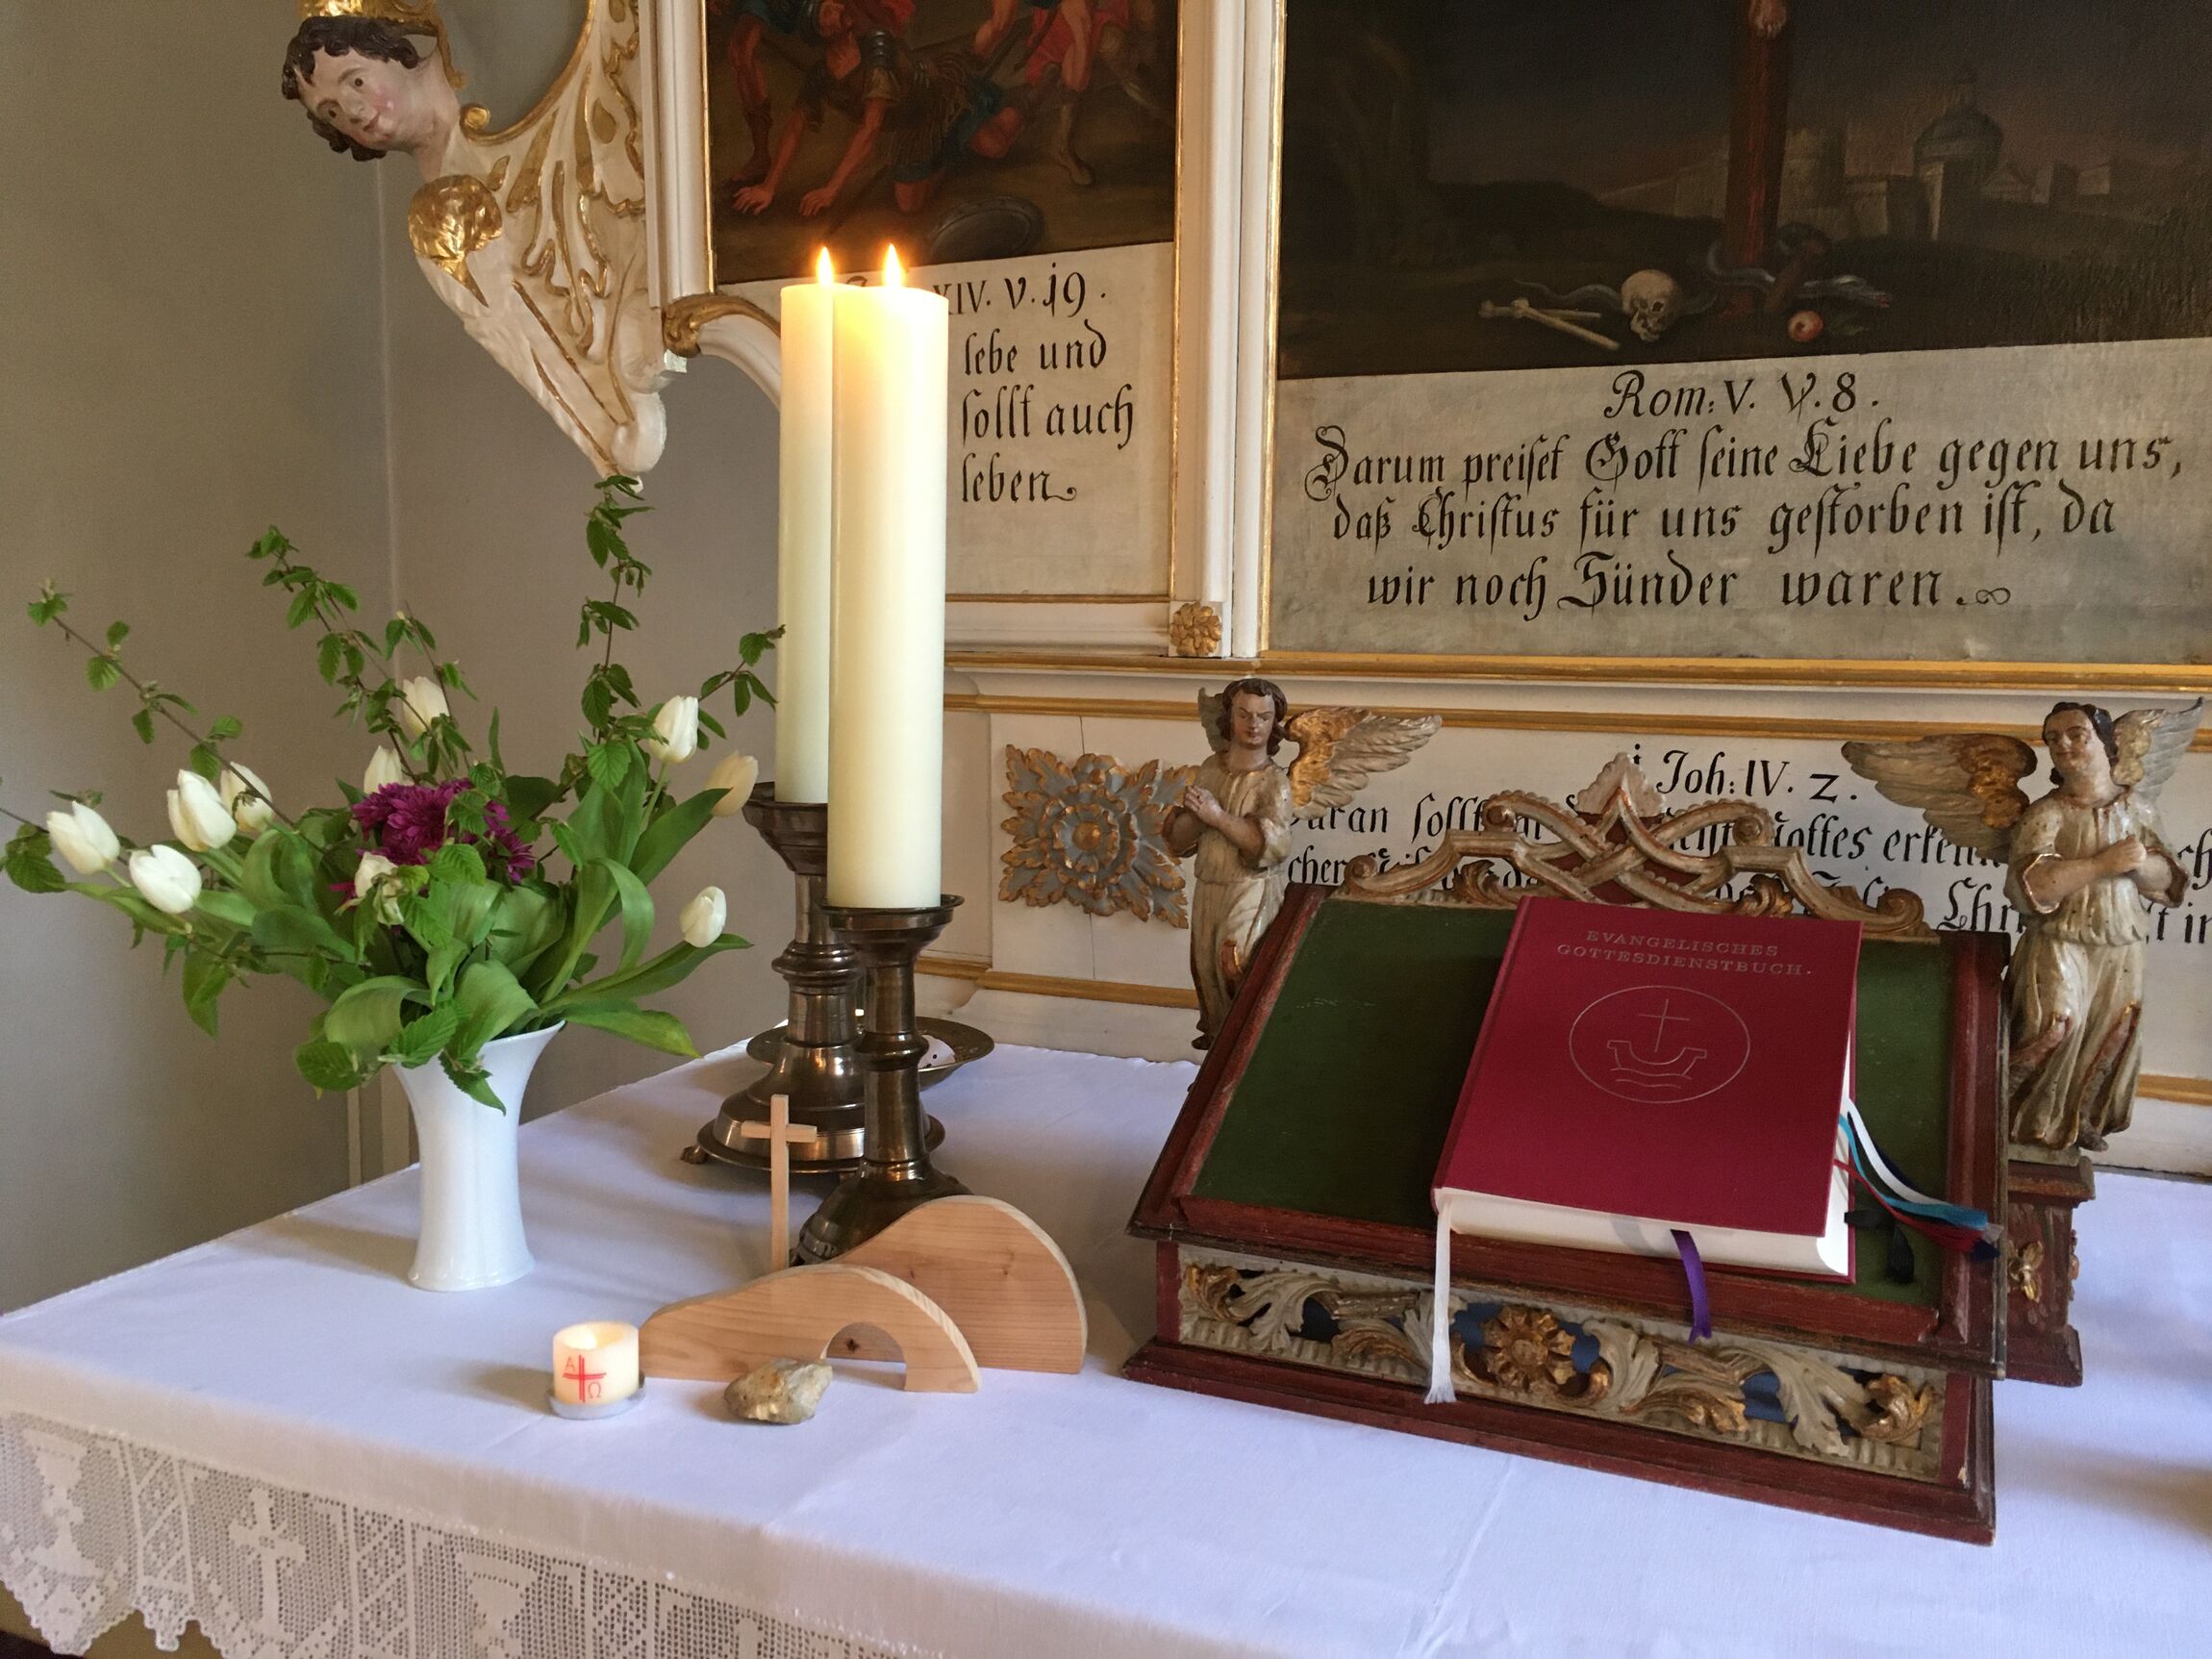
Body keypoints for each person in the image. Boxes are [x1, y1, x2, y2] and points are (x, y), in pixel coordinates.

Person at [2004, 702, 2187, 1151]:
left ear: (2107, 744)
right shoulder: (2047, 814)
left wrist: (2141, 866)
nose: (2063, 745)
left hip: (2120, 938)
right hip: (2058, 939)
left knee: (2113, 1033)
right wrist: (2102, 864)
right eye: (2053, 739)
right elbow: (2030, 886)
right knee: (2056, 1025)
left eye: (2076, 734)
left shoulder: (2138, 810)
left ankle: (2079, 1119)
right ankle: (2019, 1119)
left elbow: (2168, 880)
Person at [731, 0, 1007, 221]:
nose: (839, 7)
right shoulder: (820, 75)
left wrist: (832, 188)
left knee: (993, 147)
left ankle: (989, 107)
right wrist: (768, 187)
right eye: (828, 10)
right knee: (910, 205)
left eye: (836, 3)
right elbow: (794, 129)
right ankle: (945, 148)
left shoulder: (877, 44)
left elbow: (871, 126)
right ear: (819, 31)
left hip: (938, 96)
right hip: (911, 122)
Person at [1162, 679, 1295, 1049]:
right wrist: (1196, 818)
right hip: (1209, 885)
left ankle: (1246, 1050)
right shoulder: (1210, 768)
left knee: (1236, 967)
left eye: (1264, 717)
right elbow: (1179, 840)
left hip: (1249, 888)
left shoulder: (1274, 782)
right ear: (1229, 719)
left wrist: (1217, 817)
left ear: (1274, 724)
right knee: (1206, 973)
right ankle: (1221, 1052)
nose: (1254, 725)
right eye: (1244, 715)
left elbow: (1271, 846)